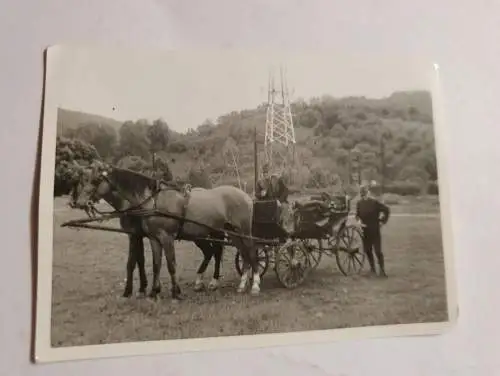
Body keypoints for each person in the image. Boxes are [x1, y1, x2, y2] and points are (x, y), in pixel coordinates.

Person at [355, 184, 390, 277]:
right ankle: (372, 269)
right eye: (362, 194)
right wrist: (358, 221)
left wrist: (382, 221)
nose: (364, 196)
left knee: (377, 251)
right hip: (365, 230)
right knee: (367, 250)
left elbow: (386, 210)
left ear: (368, 193)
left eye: (365, 193)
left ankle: (382, 271)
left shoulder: (374, 203)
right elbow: (357, 215)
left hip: (374, 230)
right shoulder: (359, 203)